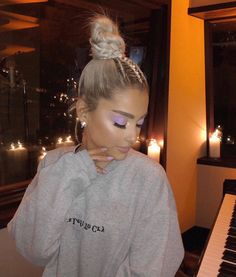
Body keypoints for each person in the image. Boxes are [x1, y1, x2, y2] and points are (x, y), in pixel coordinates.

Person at [8, 15, 184, 277]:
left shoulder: (148, 178)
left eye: (139, 123)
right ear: (84, 110)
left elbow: (154, 267)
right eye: (121, 122)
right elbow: (34, 250)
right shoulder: (54, 164)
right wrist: (71, 173)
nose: (132, 137)